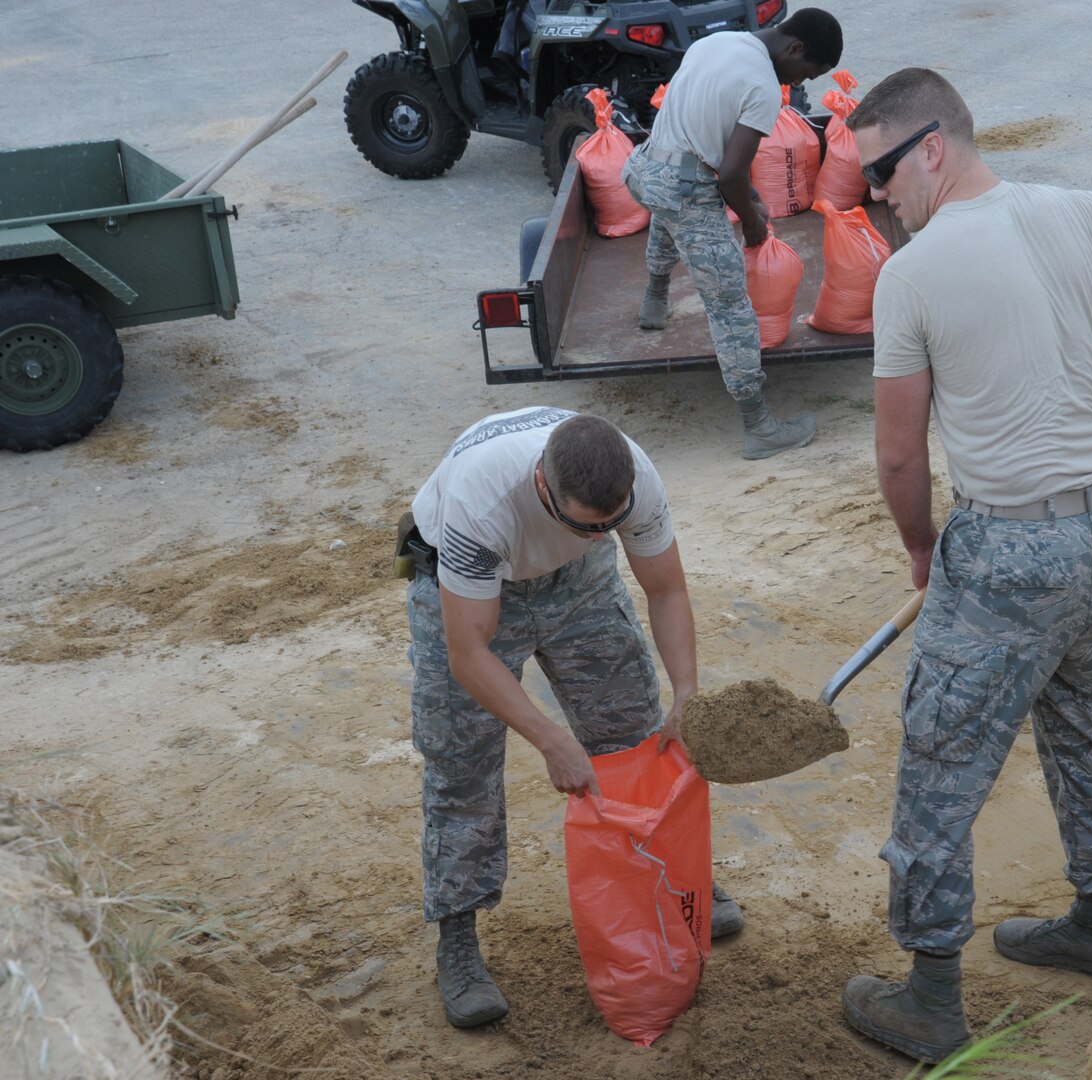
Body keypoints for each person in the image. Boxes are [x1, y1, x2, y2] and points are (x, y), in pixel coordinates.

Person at [838, 68, 1092, 1064]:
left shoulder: (911, 275)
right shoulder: (1078, 211)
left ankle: (927, 1000)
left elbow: (895, 454)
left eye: (880, 168)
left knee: (936, 760)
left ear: (931, 147)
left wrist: (925, 552)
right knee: (1073, 717)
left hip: (1005, 546)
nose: (876, 192)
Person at [404, 406, 744, 1028]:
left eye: (612, 524)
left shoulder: (632, 479)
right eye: (589, 524)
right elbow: (468, 653)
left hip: (579, 586)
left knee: (636, 733)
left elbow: (666, 589)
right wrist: (549, 738)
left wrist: (688, 691)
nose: (603, 534)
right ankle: (458, 939)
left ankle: (673, 883)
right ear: (543, 487)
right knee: (463, 767)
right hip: (472, 594)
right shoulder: (482, 505)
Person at [621, 8, 843, 460]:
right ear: (795, 48)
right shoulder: (763, 86)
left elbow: (703, 134)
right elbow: (729, 175)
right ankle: (759, 426)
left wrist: (749, 193)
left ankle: (655, 300)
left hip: (643, 169)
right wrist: (755, 223)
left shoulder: (715, 44)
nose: (798, 83)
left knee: (669, 214)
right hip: (685, 188)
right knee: (731, 306)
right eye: (805, 72)